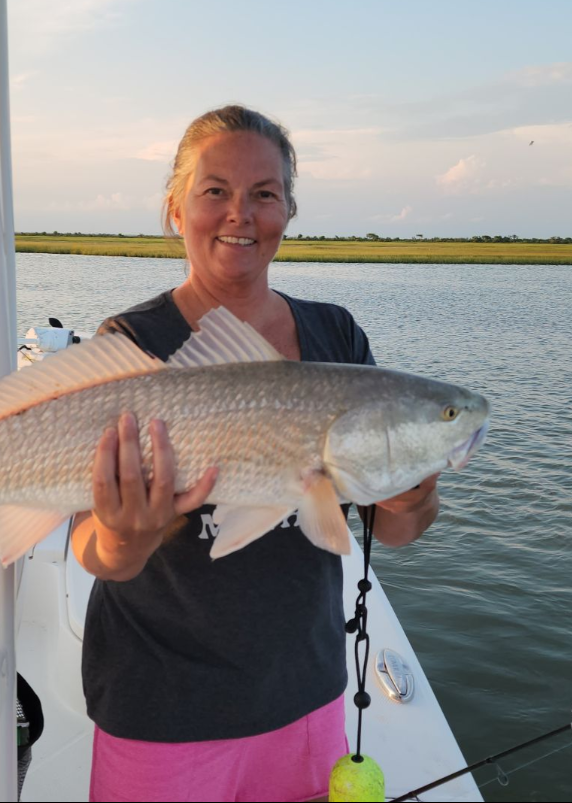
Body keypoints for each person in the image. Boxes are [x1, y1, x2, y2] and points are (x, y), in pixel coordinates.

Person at [71, 105, 439, 803]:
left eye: (264, 194)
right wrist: (123, 540)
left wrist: (413, 497)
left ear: (288, 210)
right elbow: (89, 543)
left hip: (305, 695)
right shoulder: (132, 342)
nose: (240, 214)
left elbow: (392, 527)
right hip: (162, 707)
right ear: (175, 209)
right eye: (215, 191)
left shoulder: (337, 337)